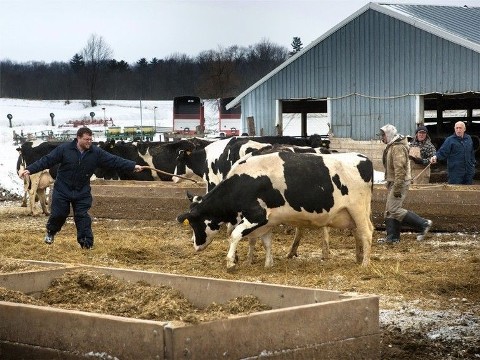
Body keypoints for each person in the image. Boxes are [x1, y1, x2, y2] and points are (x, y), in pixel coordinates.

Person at [18, 127, 143, 249]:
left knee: (82, 216)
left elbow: (114, 160)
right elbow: (47, 160)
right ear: (78, 138)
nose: (89, 142)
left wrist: (132, 166)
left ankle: (86, 244)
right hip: (63, 189)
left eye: (90, 139)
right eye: (86, 139)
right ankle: (51, 232)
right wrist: (30, 169)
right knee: (59, 214)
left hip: (82, 190)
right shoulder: (64, 149)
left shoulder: (95, 152)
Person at [377, 124, 432, 244]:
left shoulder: (397, 147)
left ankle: (423, 224)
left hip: (400, 182)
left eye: (383, 135)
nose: (382, 137)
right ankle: (393, 237)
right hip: (395, 181)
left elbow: (400, 169)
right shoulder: (392, 145)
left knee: (394, 209)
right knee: (389, 210)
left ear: (389, 134)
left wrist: (397, 187)